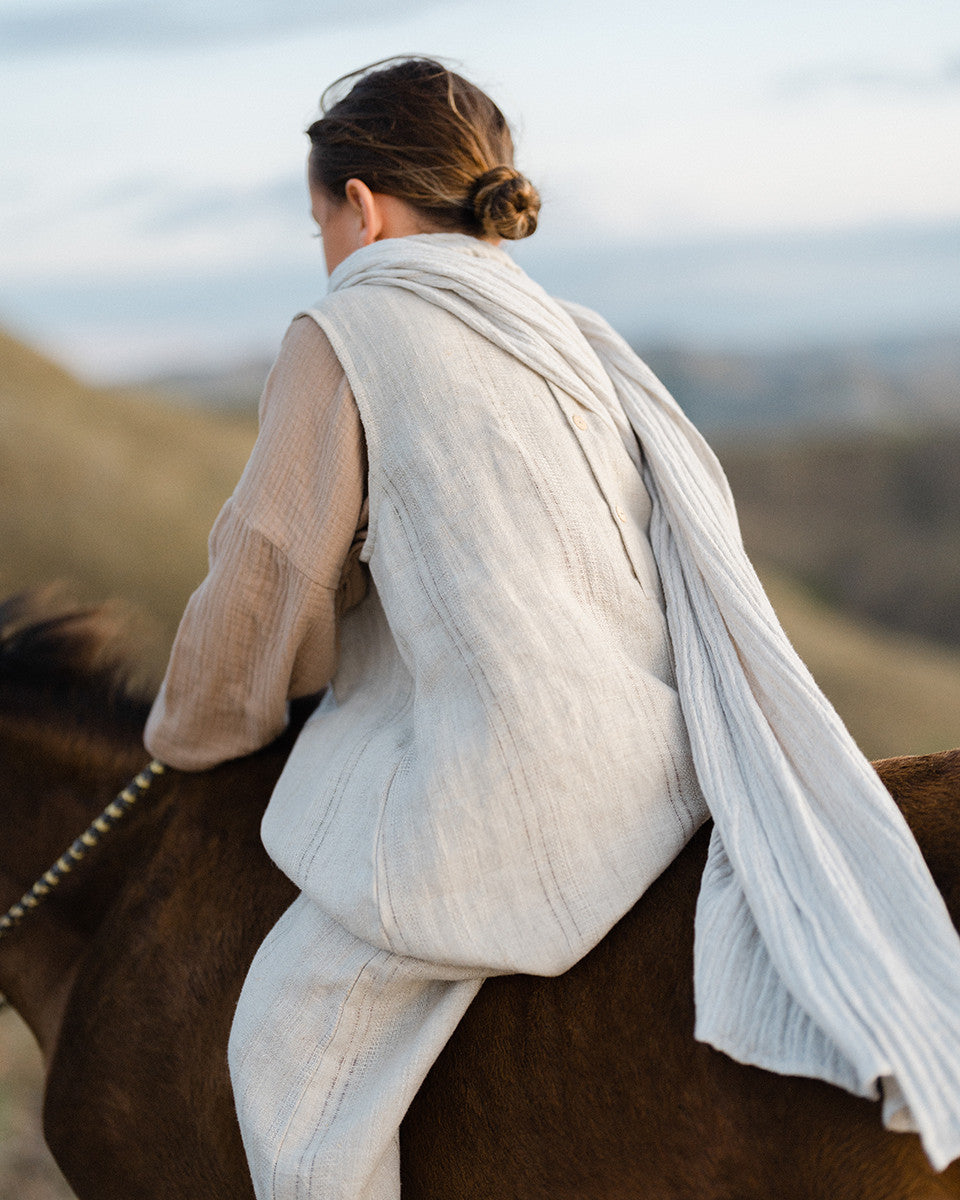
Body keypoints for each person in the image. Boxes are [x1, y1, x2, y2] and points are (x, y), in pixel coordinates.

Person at [145, 57, 960, 1200]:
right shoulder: (572, 332)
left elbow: (268, 571)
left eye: (320, 217)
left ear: (363, 202)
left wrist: (196, 728)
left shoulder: (350, 326)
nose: (325, 244)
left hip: (515, 795)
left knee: (283, 1045)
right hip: (673, 767)